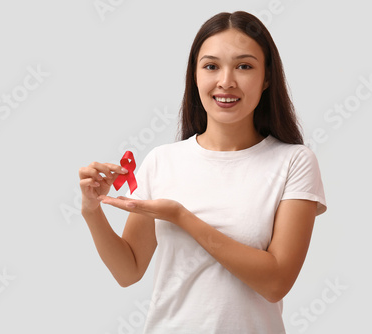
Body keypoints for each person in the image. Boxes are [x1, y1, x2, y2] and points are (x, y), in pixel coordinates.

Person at [78, 11, 327, 333]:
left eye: (244, 66)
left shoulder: (293, 161)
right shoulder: (162, 160)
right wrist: (91, 209)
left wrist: (183, 218)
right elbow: (129, 271)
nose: (226, 81)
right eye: (211, 66)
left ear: (267, 78)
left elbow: (276, 282)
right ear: (194, 76)